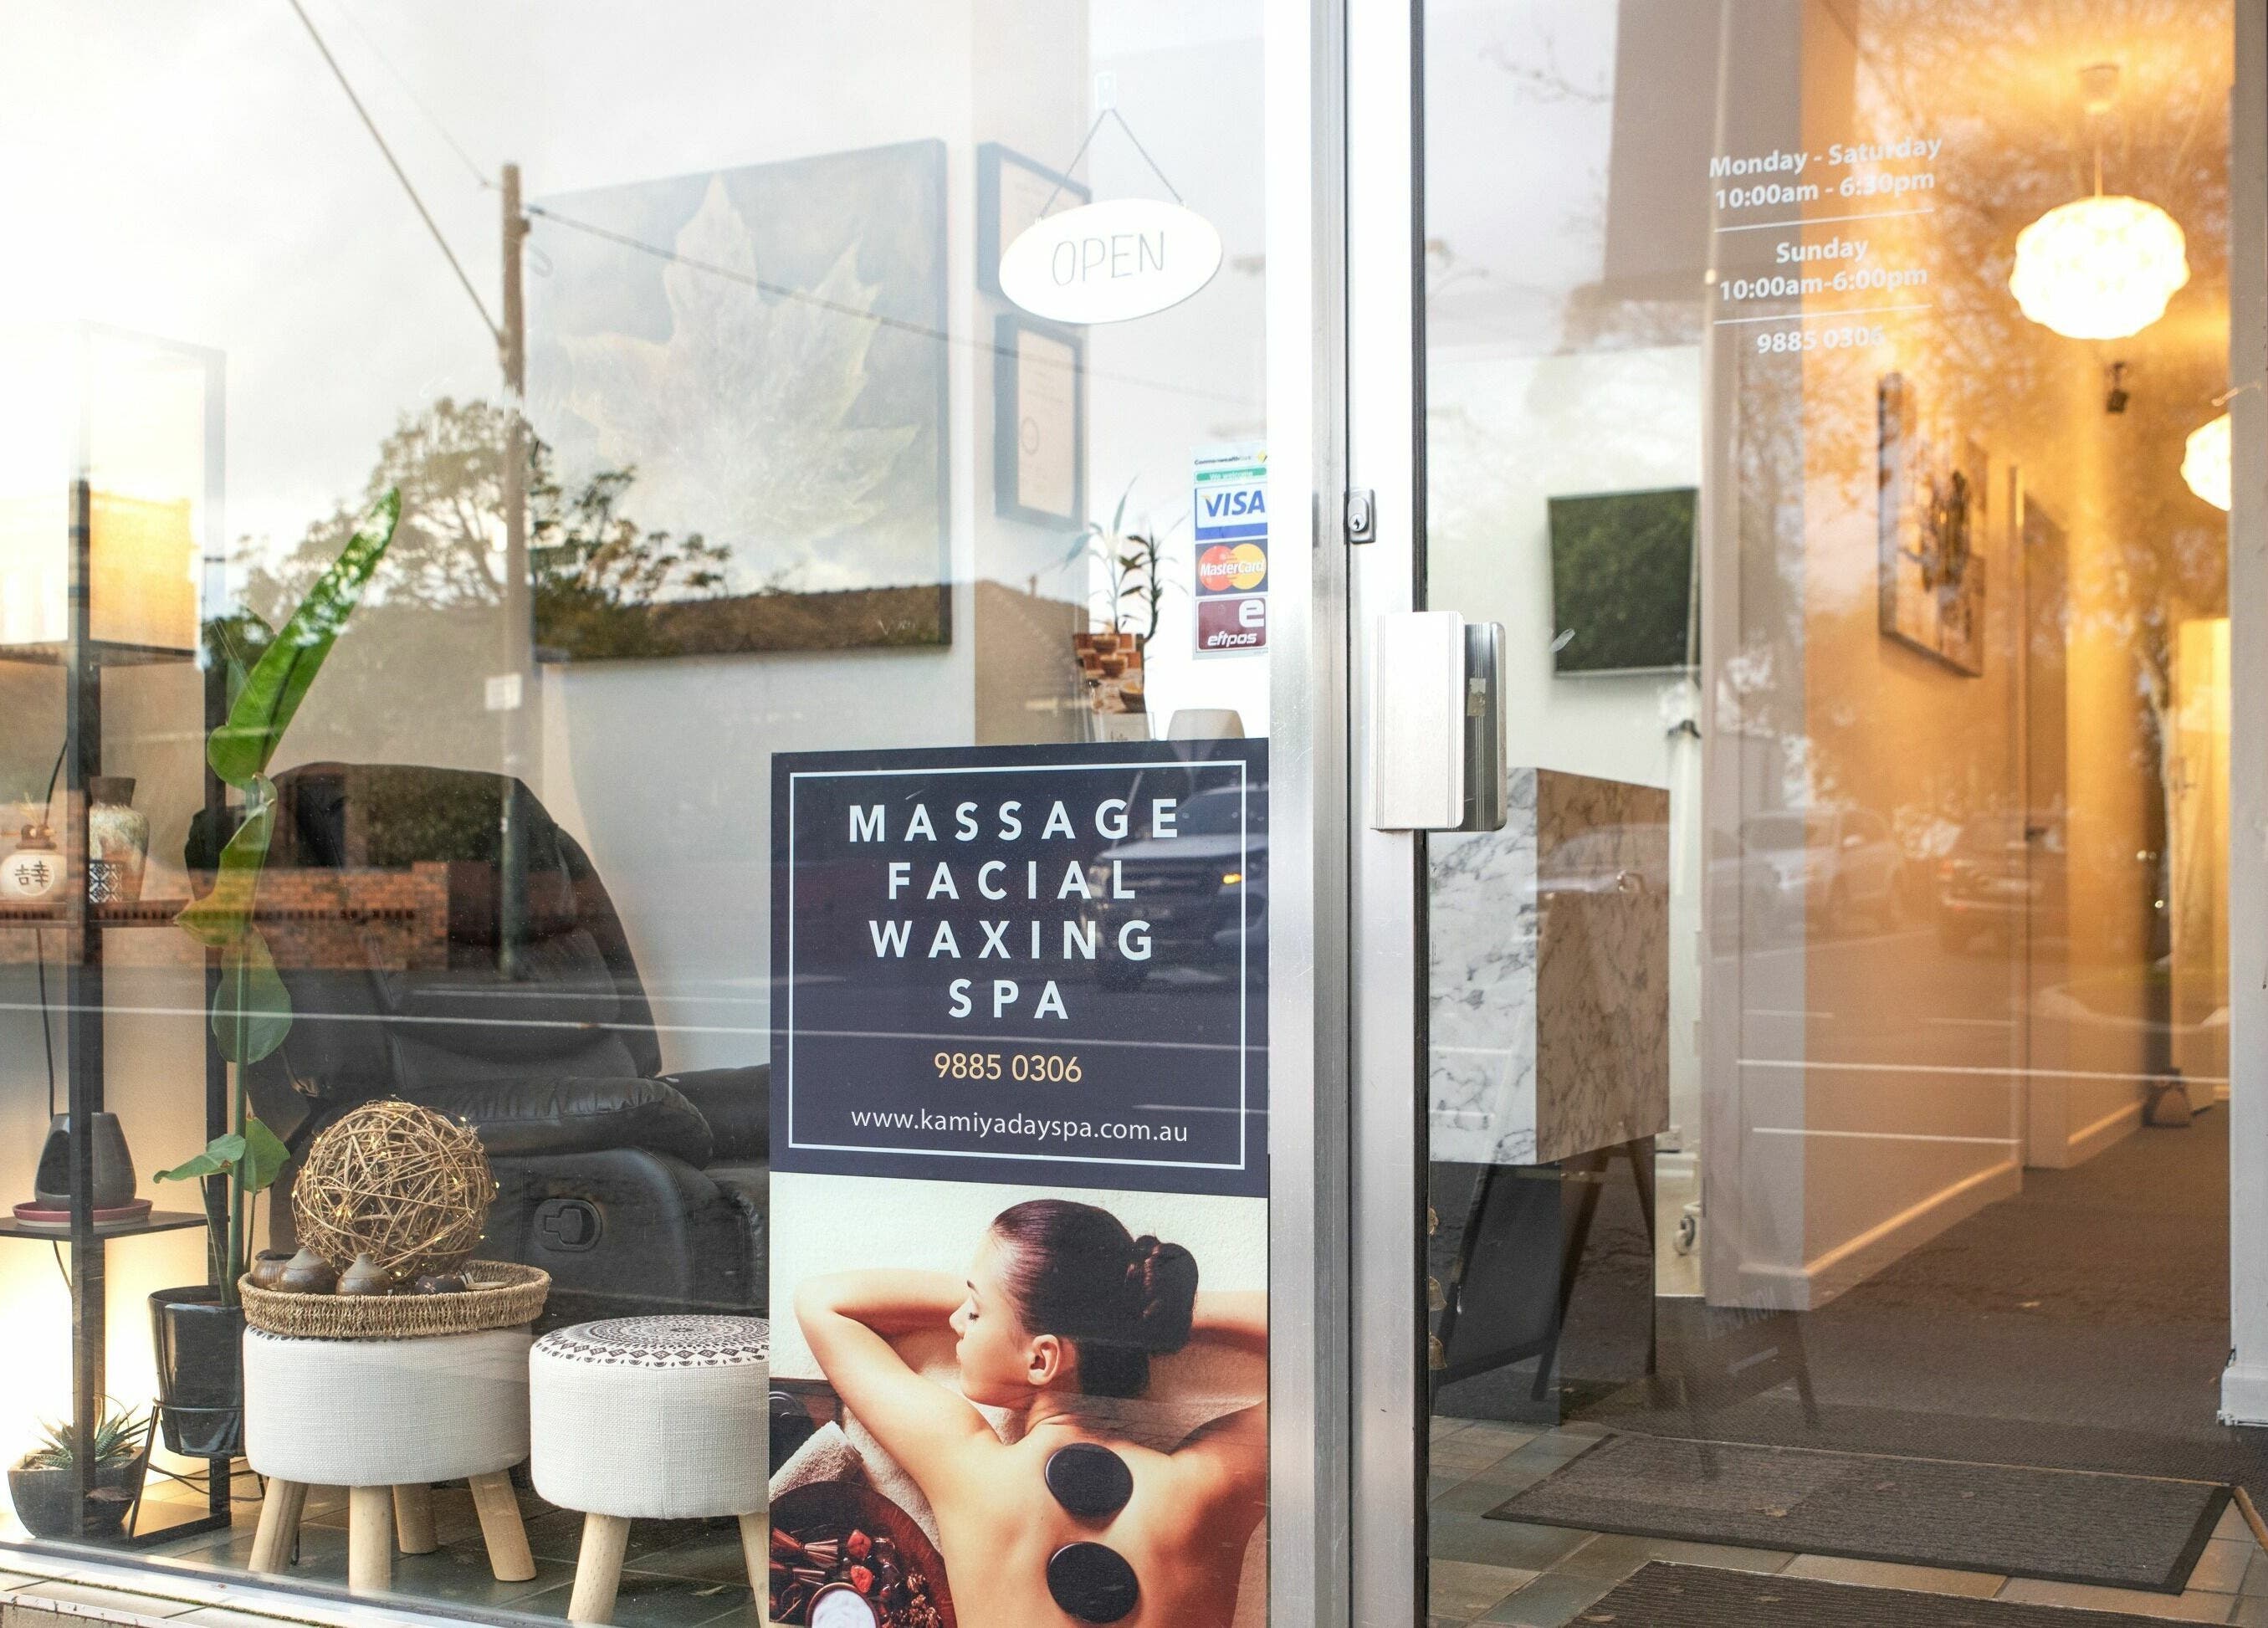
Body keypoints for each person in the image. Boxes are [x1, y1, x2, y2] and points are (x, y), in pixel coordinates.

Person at [795, 1199, 1268, 1628]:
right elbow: (1330, 1346)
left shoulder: (969, 1471)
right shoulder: (1209, 1489)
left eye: (975, 1311)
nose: (957, 1321)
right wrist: (1148, 1317)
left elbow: (824, 1303)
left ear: (1041, 1360)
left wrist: (1047, 1311)